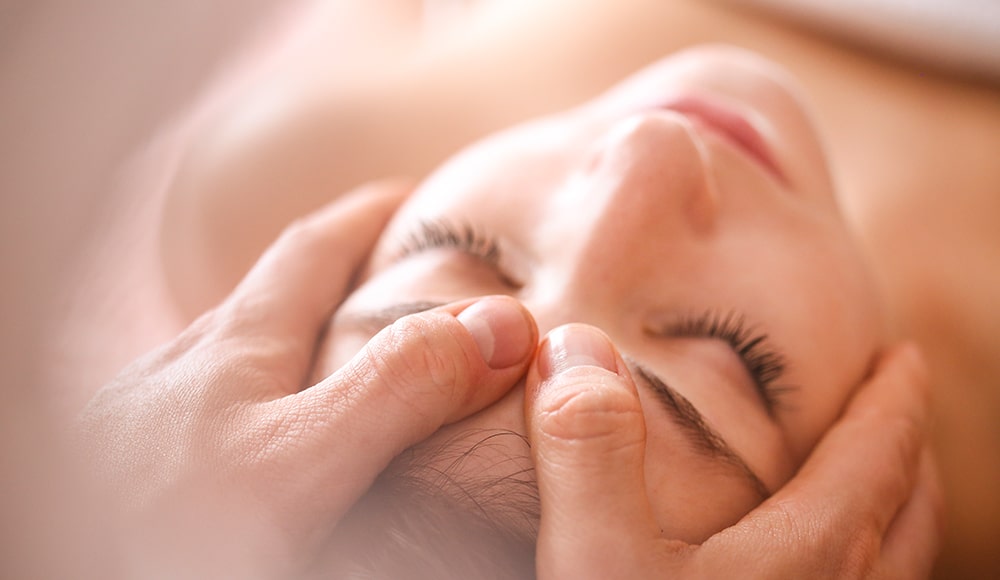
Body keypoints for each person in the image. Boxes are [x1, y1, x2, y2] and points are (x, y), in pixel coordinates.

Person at [77, 46, 941, 578]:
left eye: (463, 249)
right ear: (855, 516)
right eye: (727, 350)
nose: (647, 152)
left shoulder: (267, 178)